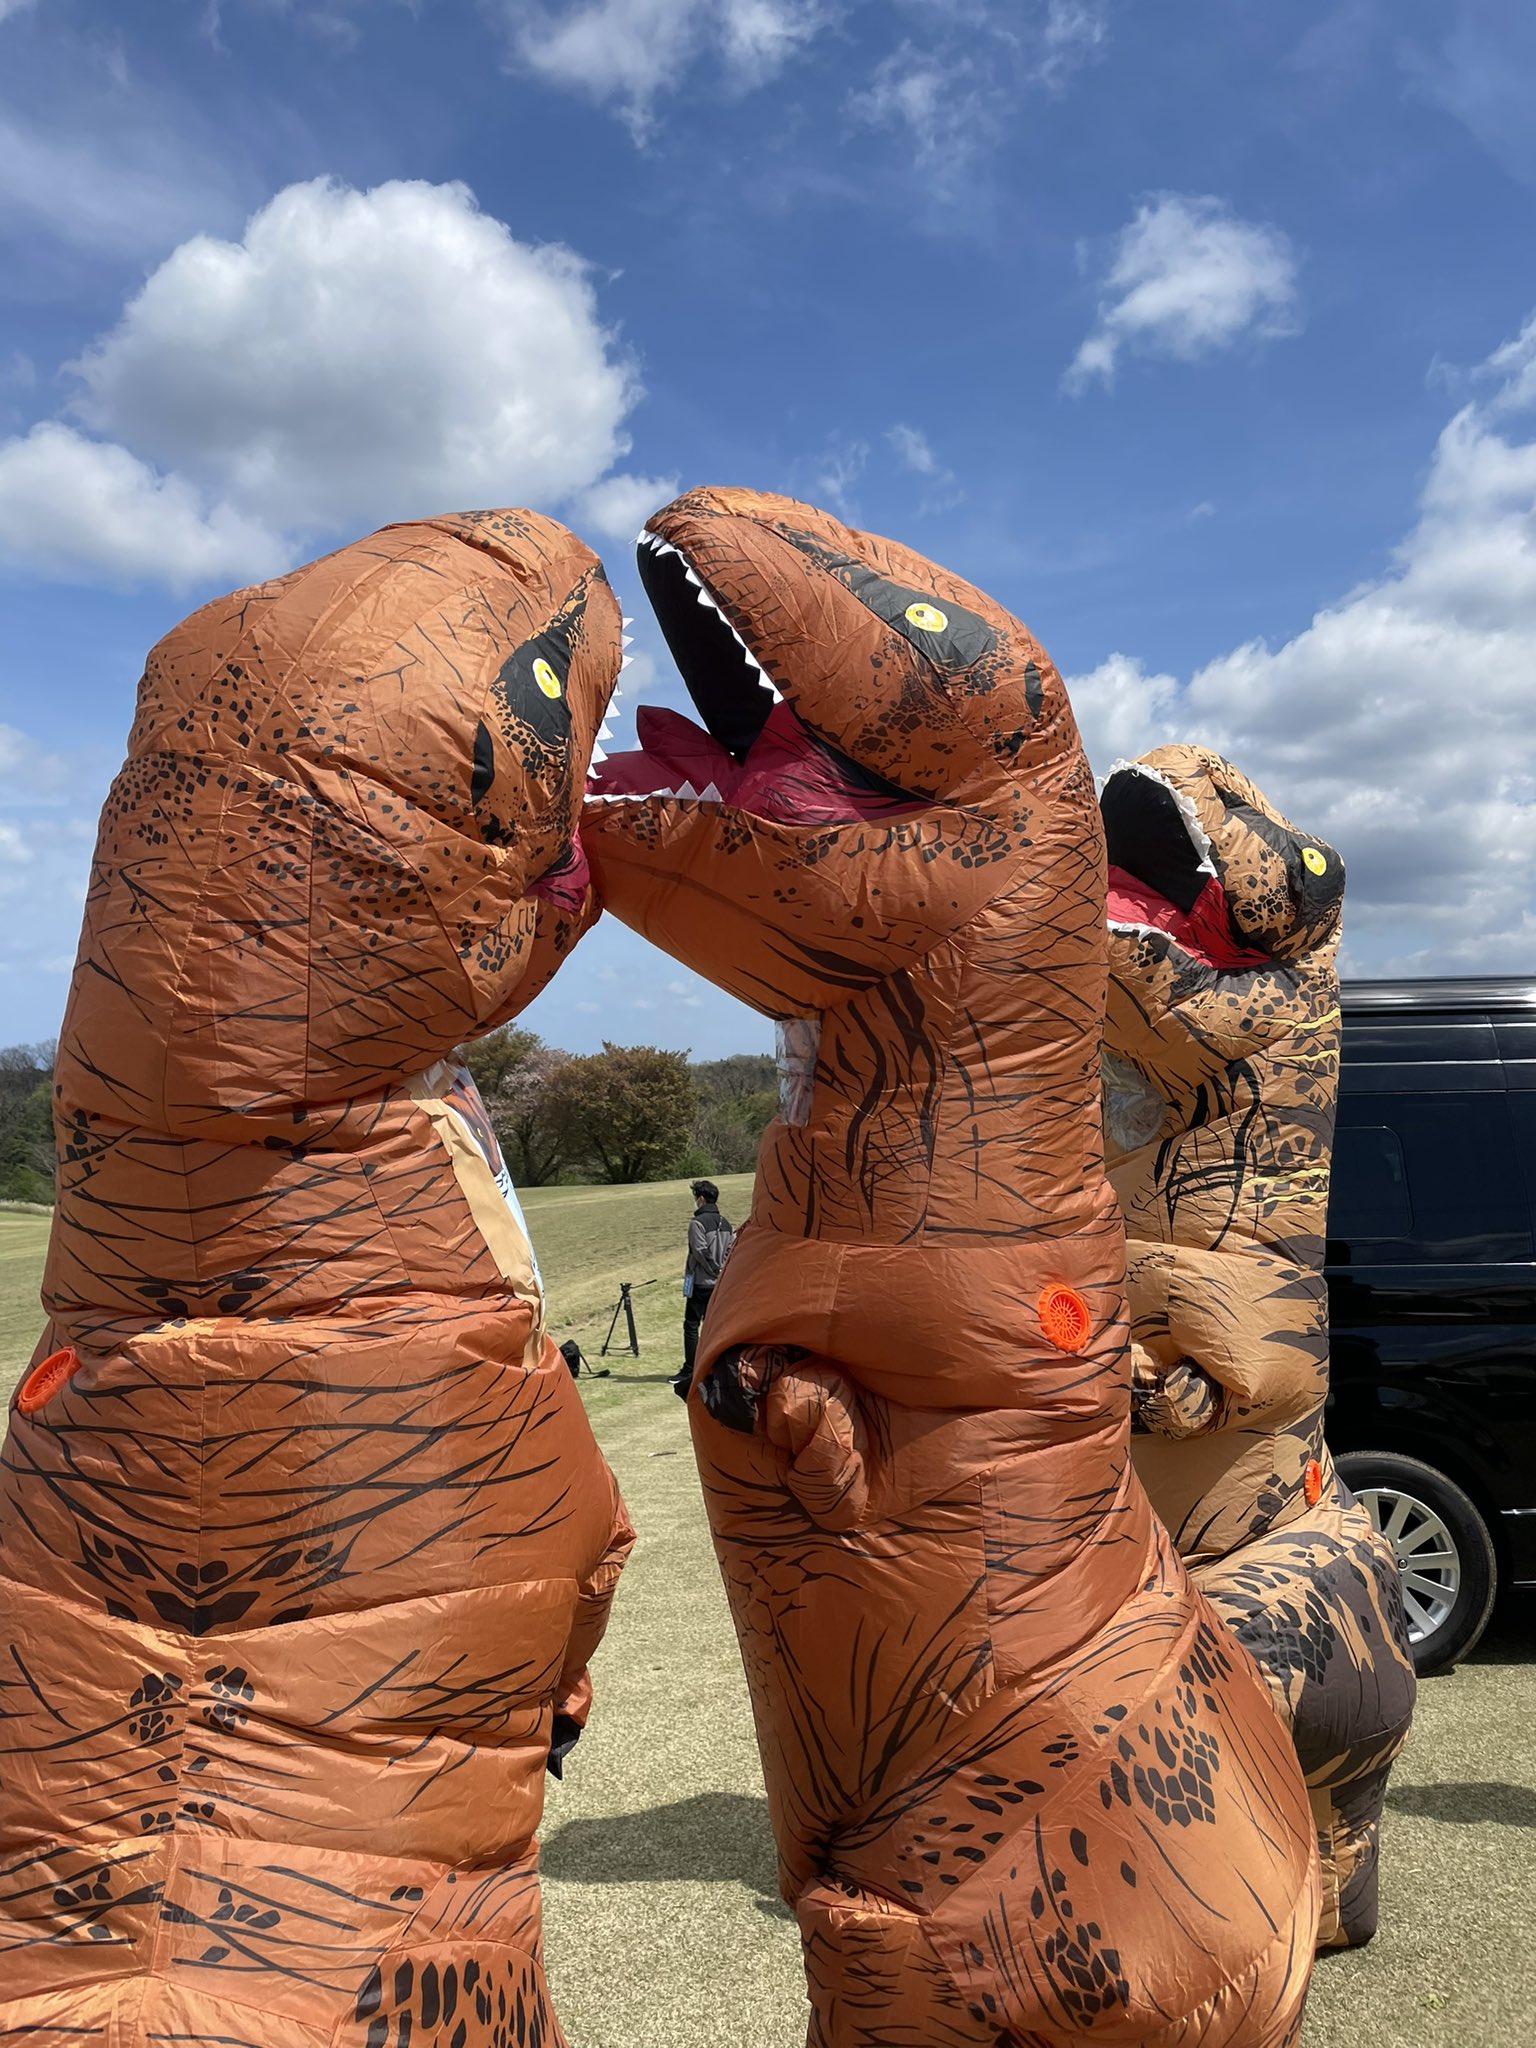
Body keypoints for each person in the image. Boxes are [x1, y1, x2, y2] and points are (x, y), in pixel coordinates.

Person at [675, 1178, 734, 1397]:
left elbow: (700, 1251)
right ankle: (713, 1366)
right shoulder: (726, 1223)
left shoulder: (696, 1223)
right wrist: (721, 1272)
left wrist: (713, 1270)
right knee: (712, 1325)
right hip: (719, 1284)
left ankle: (690, 1368)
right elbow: (731, 1250)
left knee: (691, 1325)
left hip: (701, 1282)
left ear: (700, 1199)